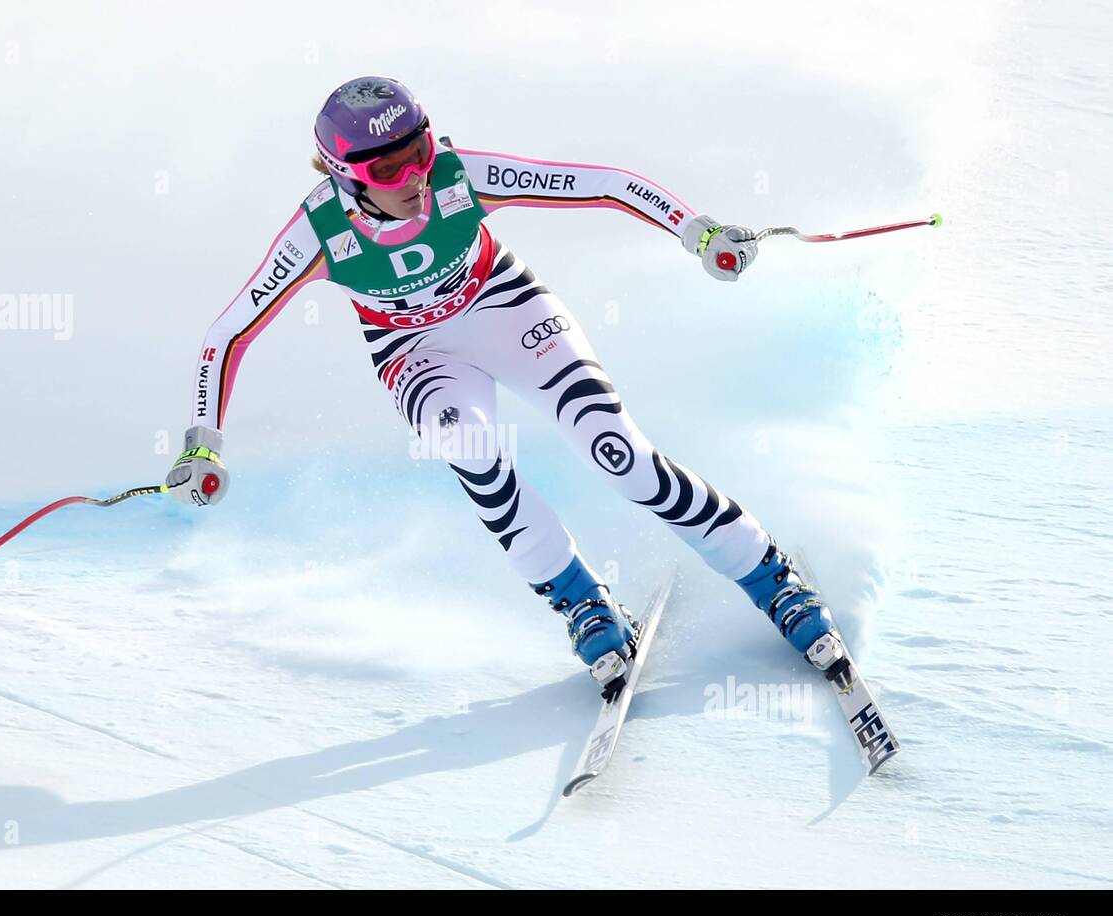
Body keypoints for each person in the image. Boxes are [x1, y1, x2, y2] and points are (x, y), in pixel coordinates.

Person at [164, 76, 845, 700]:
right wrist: (203, 444)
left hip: (507, 307)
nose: (415, 175)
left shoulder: (461, 176)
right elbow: (227, 334)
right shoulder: (317, 232)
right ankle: (582, 600)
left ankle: (769, 576)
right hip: (416, 351)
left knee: (619, 454)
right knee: (473, 453)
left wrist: (697, 232)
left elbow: (600, 183)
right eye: (388, 167)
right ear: (346, 177)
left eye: (421, 150)